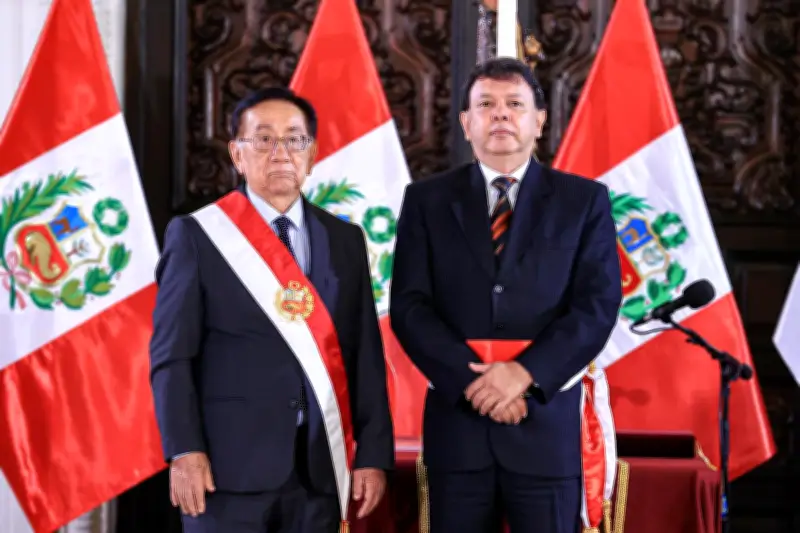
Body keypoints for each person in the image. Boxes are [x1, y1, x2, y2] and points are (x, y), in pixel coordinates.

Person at [389, 57, 622, 533]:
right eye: (486, 105)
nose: (500, 114)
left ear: (540, 120)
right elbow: (410, 308)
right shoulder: (427, 200)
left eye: (515, 104)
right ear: (465, 122)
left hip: (546, 426)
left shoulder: (583, 201)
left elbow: (596, 306)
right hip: (459, 429)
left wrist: (524, 375)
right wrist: (473, 384)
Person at [149, 87, 394, 533]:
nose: (281, 152)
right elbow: (172, 356)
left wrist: (373, 454)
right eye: (263, 139)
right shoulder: (197, 236)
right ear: (236, 154)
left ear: (312, 154)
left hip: (319, 469)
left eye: (295, 139)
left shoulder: (344, 240)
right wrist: (183, 450)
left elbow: (364, 354)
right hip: (225, 470)